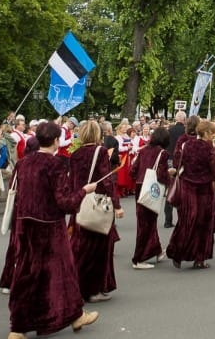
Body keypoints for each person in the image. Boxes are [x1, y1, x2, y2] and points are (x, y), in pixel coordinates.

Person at [6, 120, 100, 339]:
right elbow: (64, 202)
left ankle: (18, 326)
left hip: (25, 223)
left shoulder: (24, 163)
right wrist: (84, 191)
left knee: (27, 274)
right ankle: (74, 315)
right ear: (57, 140)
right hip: (49, 226)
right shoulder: (55, 165)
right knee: (63, 272)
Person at [68, 120, 123, 302]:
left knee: (79, 247)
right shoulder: (100, 152)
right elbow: (107, 181)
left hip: (80, 203)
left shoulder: (75, 154)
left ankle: (75, 286)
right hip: (97, 204)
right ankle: (93, 289)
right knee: (98, 249)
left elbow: (72, 182)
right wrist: (116, 205)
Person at [165, 118, 215, 269]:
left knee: (187, 221)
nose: (214, 135)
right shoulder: (208, 148)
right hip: (204, 189)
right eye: (213, 133)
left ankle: (177, 251)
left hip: (188, 186)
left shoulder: (186, 144)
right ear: (207, 132)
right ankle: (199, 258)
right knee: (204, 223)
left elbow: (177, 162)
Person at [130, 127, 170, 269]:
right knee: (147, 223)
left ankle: (156, 249)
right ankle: (138, 258)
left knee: (147, 221)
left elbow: (133, 170)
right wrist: (169, 180)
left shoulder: (143, 150)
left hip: (140, 186)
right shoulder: (162, 153)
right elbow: (161, 175)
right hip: (152, 188)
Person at [162, 110, 187, 228]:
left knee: (169, 190)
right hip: (182, 162)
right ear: (184, 119)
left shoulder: (169, 131)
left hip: (170, 161)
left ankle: (168, 219)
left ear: (176, 119)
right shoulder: (186, 132)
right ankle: (182, 218)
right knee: (182, 189)